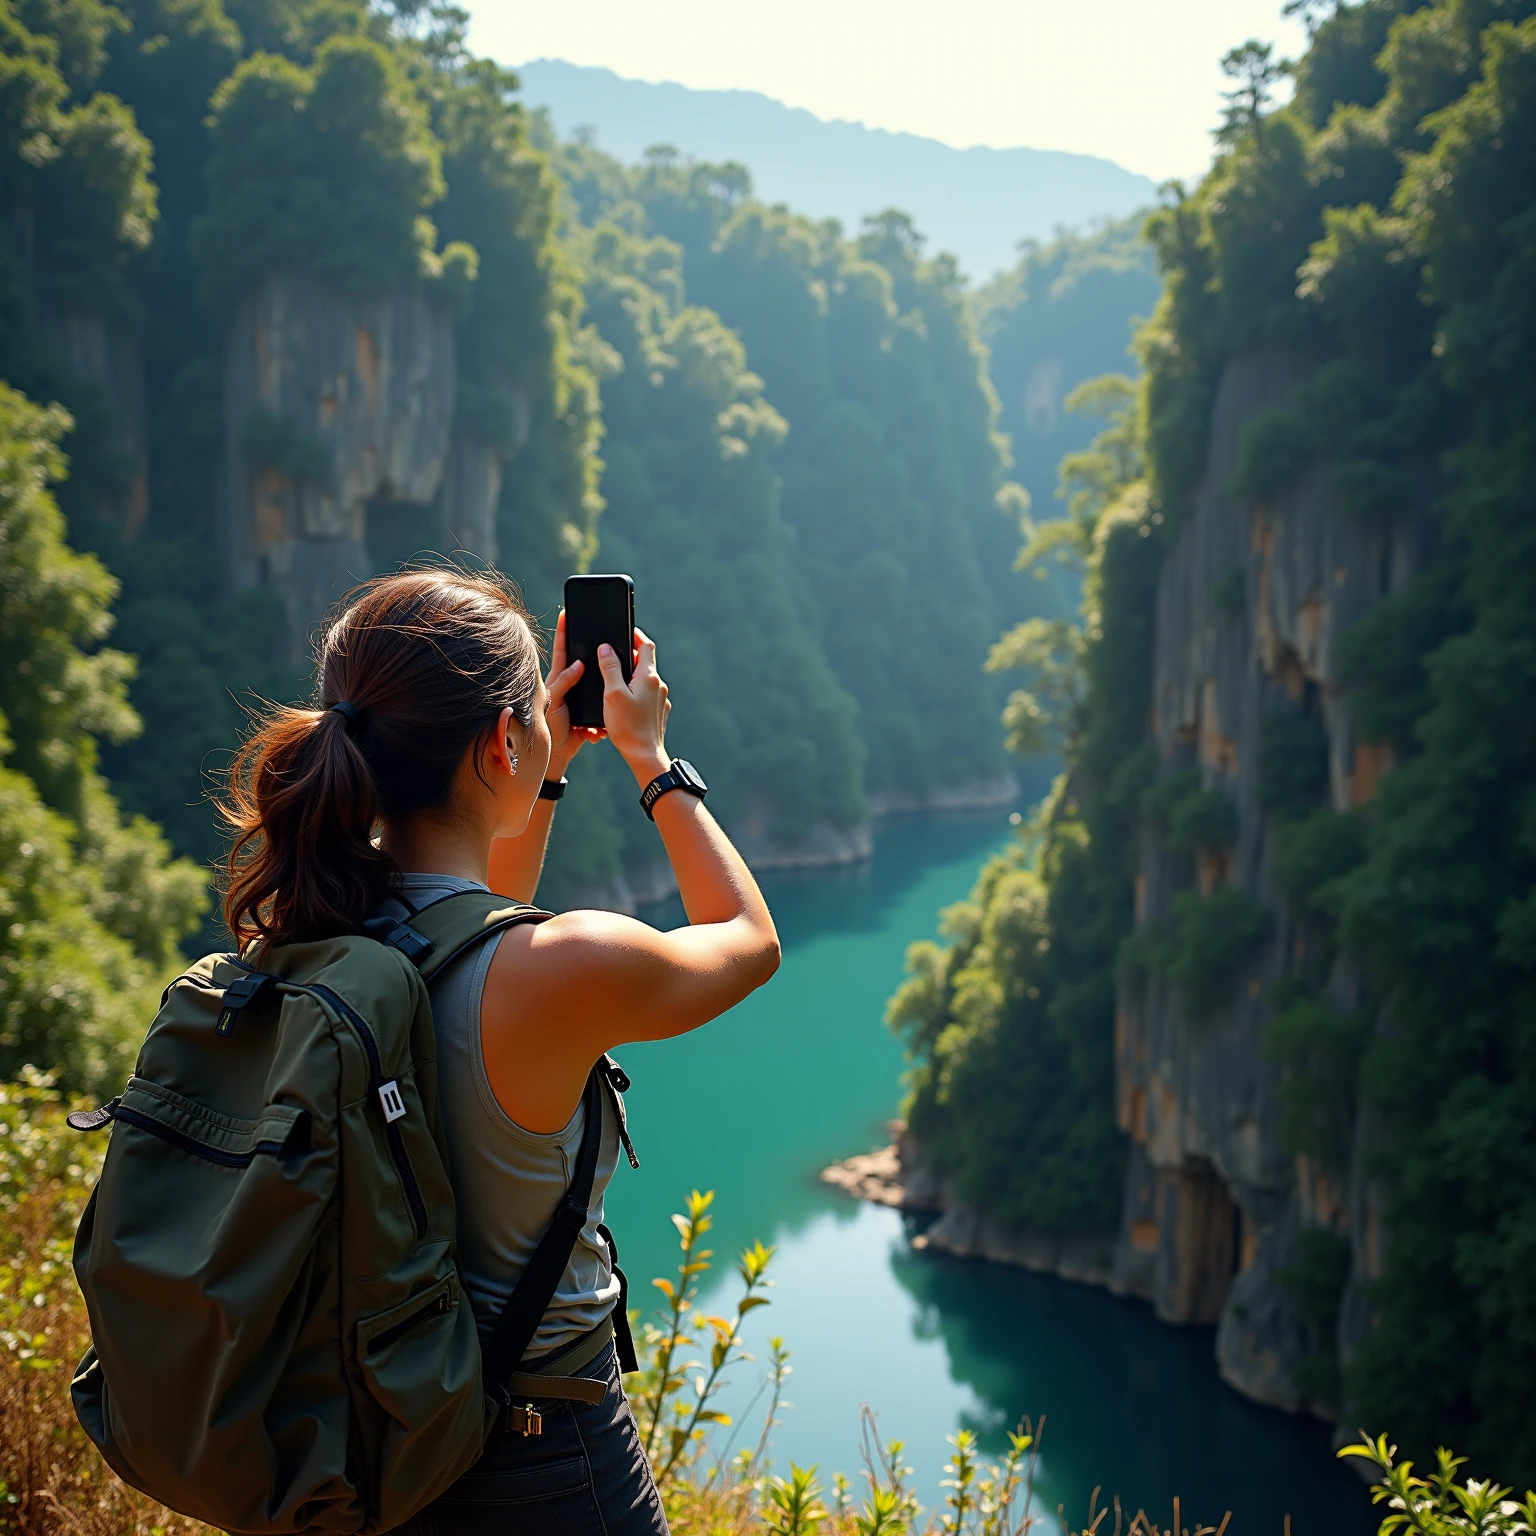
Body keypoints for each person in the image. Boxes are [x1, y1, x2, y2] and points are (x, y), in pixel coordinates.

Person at [220, 568, 782, 1536]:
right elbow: (747, 939)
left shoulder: (308, 942)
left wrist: (541, 765)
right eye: (523, 721)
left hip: (380, 1455)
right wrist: (651, 758)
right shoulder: (561, 971)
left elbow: (472, 929)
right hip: (548, 1469)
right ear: (496, 743)